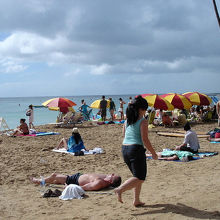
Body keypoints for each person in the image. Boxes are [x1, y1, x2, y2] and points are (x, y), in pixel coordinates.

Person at [114, 95, 158, 207]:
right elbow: (145, 139)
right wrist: (153, 153)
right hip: (135, 149)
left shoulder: (127, 120)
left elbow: (124, 135)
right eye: (145, 109)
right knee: (140, 178)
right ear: (140, 109)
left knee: (136, 176)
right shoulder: (143, 121)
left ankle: (136, 200)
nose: (145, 111)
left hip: (125, 149)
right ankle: (120, 190)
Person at [30, 173, 122, 191]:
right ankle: (46, 181)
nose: (111, 174)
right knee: (56, 180)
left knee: (54, 176)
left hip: (73, 180)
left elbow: (85, 187)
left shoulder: (99, 183)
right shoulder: (106, 179)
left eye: (112, 175)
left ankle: (38, 181)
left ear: (110, 180)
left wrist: (69, 187)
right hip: (77, 176)